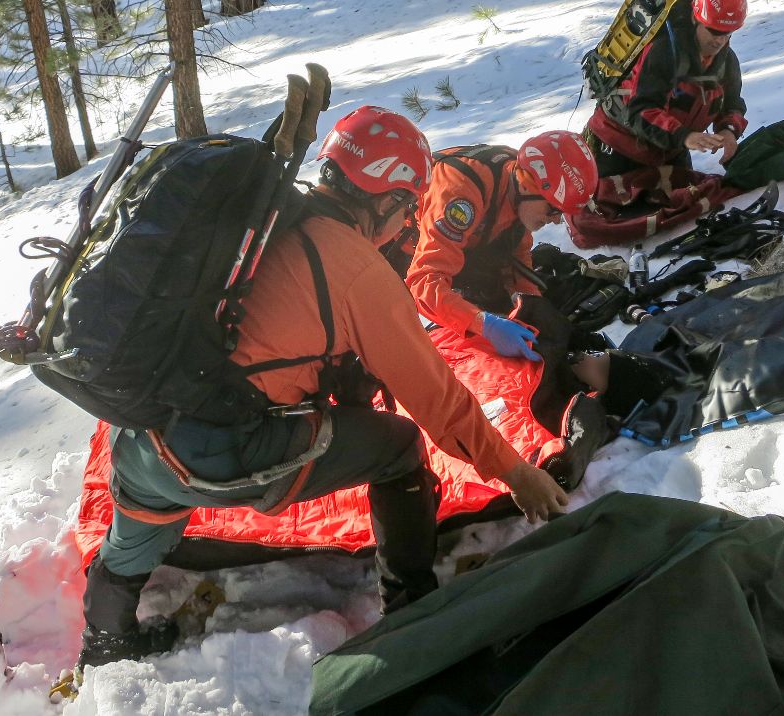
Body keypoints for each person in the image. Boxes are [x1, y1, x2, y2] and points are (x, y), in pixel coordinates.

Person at [78, 107, 570, 669]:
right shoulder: (356, 266)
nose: (408, 222)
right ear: (385, 199)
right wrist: (514, 470)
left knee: (142, 521)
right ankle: (413, 610)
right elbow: (437, 397)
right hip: (223, 454)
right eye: (407, 206)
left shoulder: (267, 220)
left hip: (141, 431)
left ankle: (104, 643)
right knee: (400, 448)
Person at [402, 131, 600, 362]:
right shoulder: (461, 193)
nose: (557, 220)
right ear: (528, 186)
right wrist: (483, 324)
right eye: (554, 209)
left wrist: (532, 307)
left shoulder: (518, 184)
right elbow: (425, 281)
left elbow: (517, 252)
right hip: (406, 252)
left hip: (463, 245)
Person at [586, 0, 749, 177]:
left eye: (728, 33)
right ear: (695, 18)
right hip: (616, 148)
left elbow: (732, 103)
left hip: (670, 152)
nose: (719, 41)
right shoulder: (663, 51)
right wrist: (685, 136)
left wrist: (729, 130)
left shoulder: (727, 62)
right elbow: (642, 110)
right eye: (713, 31)